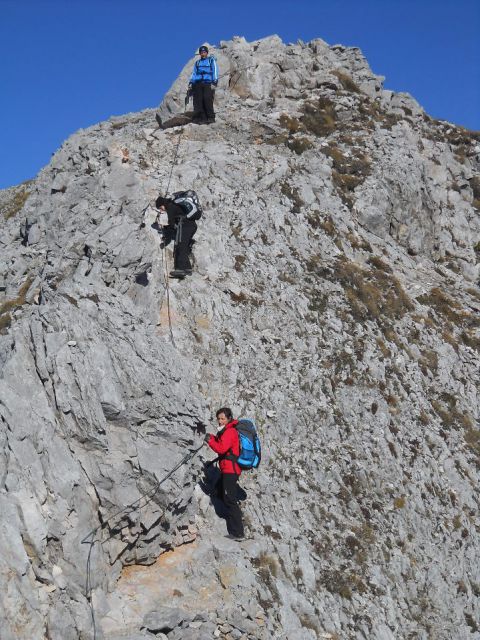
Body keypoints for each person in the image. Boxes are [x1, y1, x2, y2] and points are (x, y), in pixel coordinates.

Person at [204, 407, 245, 540]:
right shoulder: (227, 430)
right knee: (221, 491)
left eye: (222, 418)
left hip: (230, 470)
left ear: (228, 418)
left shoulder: (230, 431)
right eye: (219, 419)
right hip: (228, 469)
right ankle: (223, 508)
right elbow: (222, 444)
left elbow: (221, 448)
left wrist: (210, 441)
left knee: (230, 500)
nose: (220, 421)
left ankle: (238, 533)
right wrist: (213, 438)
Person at [155, 194, 198, 278]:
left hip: (185, 226)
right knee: (184, 246)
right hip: (191, 226)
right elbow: (173, 224)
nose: (161, 210)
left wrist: (165, 240)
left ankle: (180, 269)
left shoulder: (170, 207)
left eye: (160, 207)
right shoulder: (174, 204)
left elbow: (171, 224)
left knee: (180, 245)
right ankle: (187, 268)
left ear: (162, 204)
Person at [189, 45, 218, 124]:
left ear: (207, 53)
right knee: (199, 101)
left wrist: (215, 79)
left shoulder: (211, 60)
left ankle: (211, 117)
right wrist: (191, 81)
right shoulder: (197, 63)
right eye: (201, 52)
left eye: (204, 52)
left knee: (207, 99)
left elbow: (215, 69)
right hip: (198, 83)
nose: (203, 53)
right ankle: (203, 118)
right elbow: (194, 73)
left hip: (207, 82)